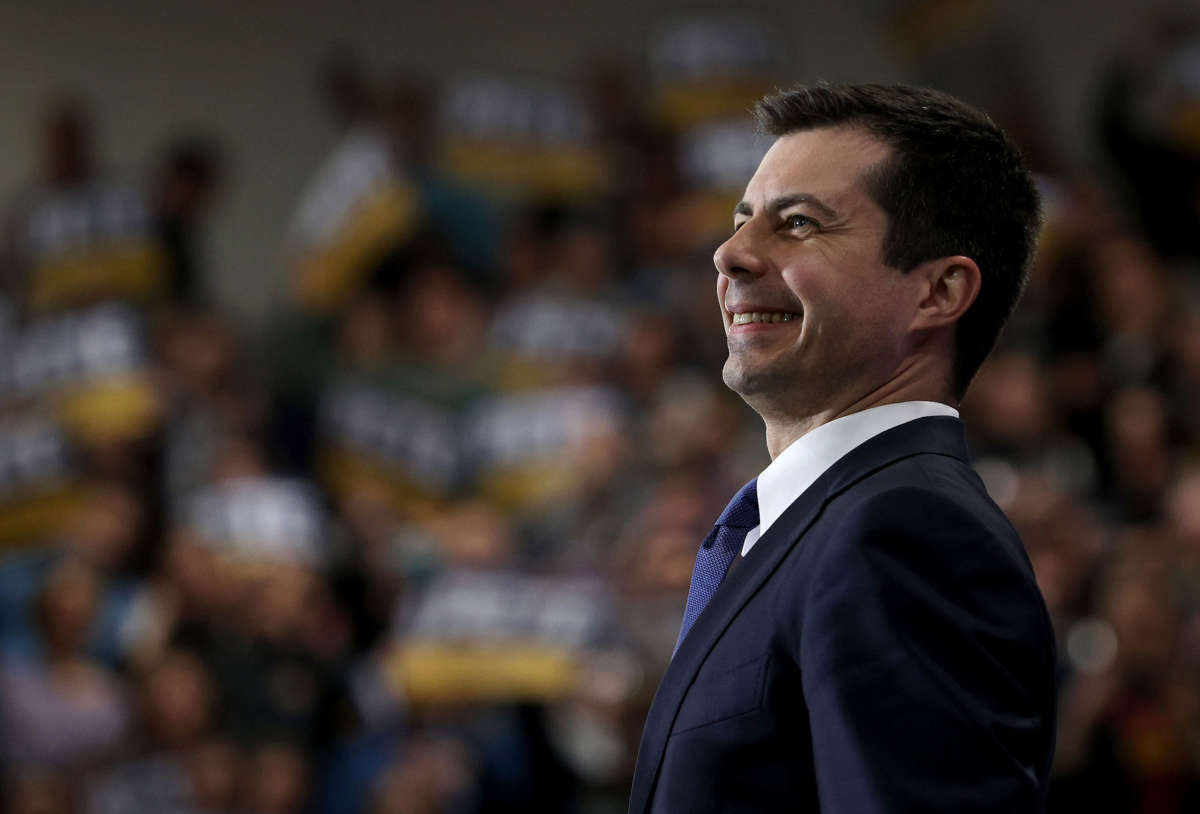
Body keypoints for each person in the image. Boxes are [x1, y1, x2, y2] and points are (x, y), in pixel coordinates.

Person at [628, 83, 1057, 812]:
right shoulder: (817, 527)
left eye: (797, 225)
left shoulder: (907, 534)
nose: (729, 254)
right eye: (742, 221)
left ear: (939, 293)